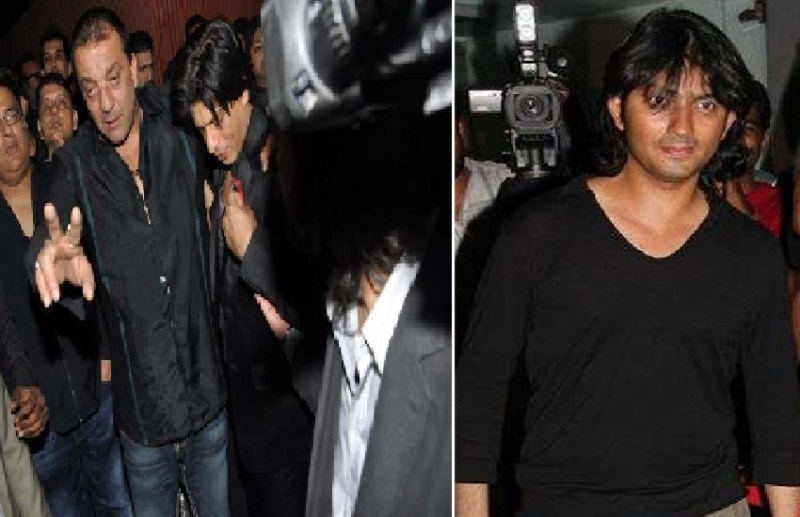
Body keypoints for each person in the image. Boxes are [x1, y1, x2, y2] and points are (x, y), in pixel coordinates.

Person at [456, 8, 800, 517]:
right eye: (659, 100)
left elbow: (777, 413)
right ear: (618, 110)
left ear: (728, 120)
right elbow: (477, 395)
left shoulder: (751, 252)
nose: (682, 125)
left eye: (705, 103)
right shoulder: (536, 234)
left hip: (710, 505)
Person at [27, 8, 228, 516]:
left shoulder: (178, 120)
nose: (105, 102)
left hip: (208, 398)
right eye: (89, 88)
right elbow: (47, 239)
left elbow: (239, 112)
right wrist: (52, 265)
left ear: (135, 68)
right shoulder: (76, 163)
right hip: (143, 425)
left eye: (113, 79)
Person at [173, 19, 315, 517]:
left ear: (243, 92)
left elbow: (316, 303)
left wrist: (251, 247)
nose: (211, 141)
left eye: (216, 122)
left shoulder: (285, 161)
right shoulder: (224, 166)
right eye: (201, 129)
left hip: (289, 425)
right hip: (246, 420)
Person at [0, 70, 131, 516]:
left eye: (11, 116)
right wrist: (21, 383)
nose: (6, 133)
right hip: (42, 422)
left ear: (27, 123)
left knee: (118, 506)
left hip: (97, 392)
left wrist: (106, 352)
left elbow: (102, 265)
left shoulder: (62, 180)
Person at [35, 73, 78, 162]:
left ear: (74, 119)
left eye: (61, 103)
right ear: (39, 127)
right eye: (46, 106)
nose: (54, 110)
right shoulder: (35, 171)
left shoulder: (96, 166)